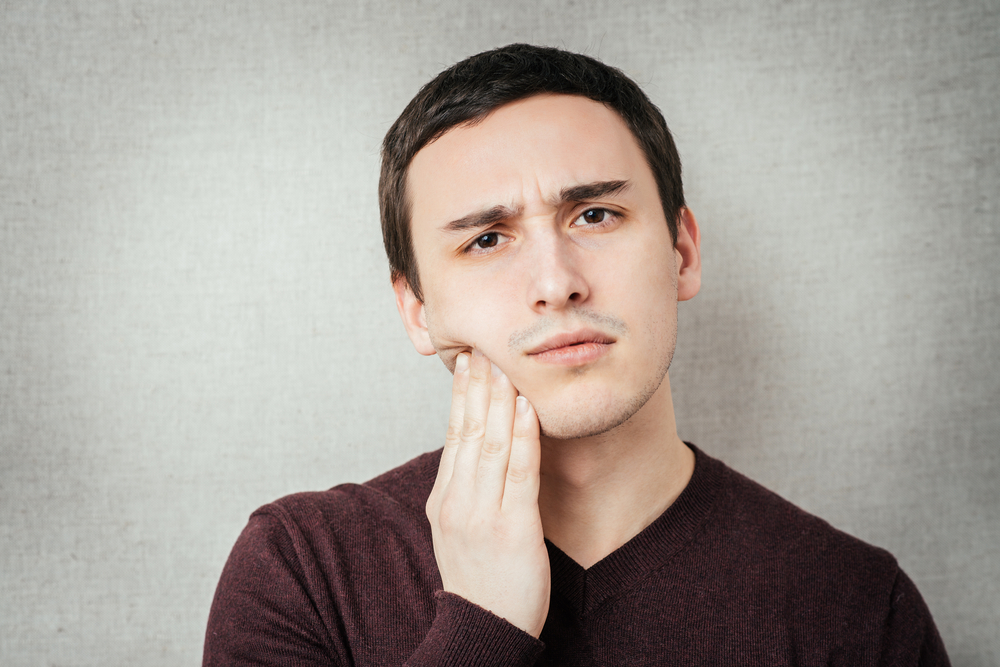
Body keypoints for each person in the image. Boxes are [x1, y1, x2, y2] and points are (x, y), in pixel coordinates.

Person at [203, 44, 950, 666]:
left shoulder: (857, 604)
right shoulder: (302, 571)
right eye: (486, 239)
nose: (557, 283)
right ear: (417, 309)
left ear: (682, 251)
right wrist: (481, 626)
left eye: (596, 214)